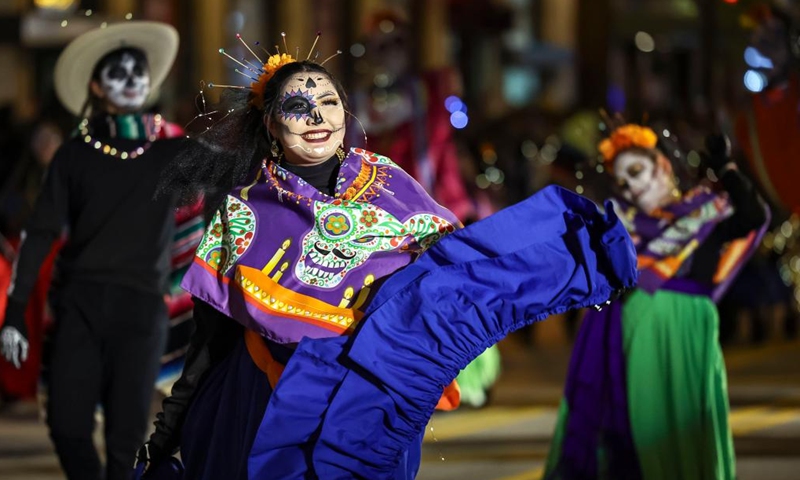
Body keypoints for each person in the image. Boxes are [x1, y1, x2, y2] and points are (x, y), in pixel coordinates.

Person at [137, 35, 638, 479]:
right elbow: (209, 344)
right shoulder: (243, 211)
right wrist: (164, 437)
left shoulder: (388, 184)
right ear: (269, 124)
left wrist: (576, 263)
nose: (317, 117)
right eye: (297, 105)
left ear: (345, 112)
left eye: (329, 102)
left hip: (371, 407)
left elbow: (462, 269)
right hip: (265, 406)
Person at [0, 21, 185, 480]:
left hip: (142, 307)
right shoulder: (74, 154)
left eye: (138, 72)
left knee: (126, 439)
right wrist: (16, 310)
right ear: (96, 86)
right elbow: (40, 232)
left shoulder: (173, 152)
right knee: (66, 426)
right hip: (80, 304)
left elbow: (236, 174)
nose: (131, 80)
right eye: (118, 73)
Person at [545, 124, 769, 480]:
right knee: (640, 431)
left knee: (688, 430)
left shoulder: (706, 215)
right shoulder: (621, 228)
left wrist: (727, 168)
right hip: (635, 338)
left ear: (663, 166)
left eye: (636, 172)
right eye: (623, 181)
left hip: (690, 336)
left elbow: (754, 216)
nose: (631, 186)